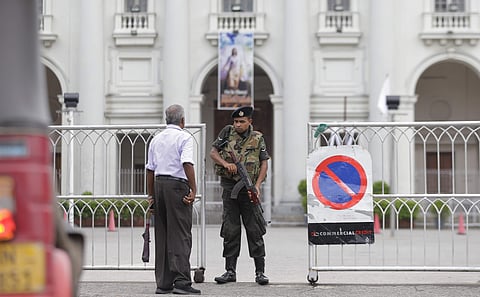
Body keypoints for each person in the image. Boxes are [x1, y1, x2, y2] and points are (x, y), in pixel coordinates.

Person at [210, 105, 270, 285]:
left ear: (250, 121)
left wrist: (257, 185)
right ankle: (230, 271)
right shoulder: (227, 133)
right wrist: (225, 163)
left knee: (255, 230)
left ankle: (260, 272)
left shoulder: (258, 138)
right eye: (235, 121)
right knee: (230, 229)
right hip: (230, 189)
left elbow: (264, 163)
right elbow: (213, 152)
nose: (237, 124)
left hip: (249, 189)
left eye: (241, 121)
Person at [145, 104, 201, 295]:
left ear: (166, 120)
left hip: (159, 185)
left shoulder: (156, 138)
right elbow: (187, 163)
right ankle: (182, 281)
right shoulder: (185, 137)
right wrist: (193, 188)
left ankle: (163, 282)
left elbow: (150, 169)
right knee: (180, 234)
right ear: (183, 121)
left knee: (163, 233)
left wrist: (151, 196)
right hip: (177, 186)